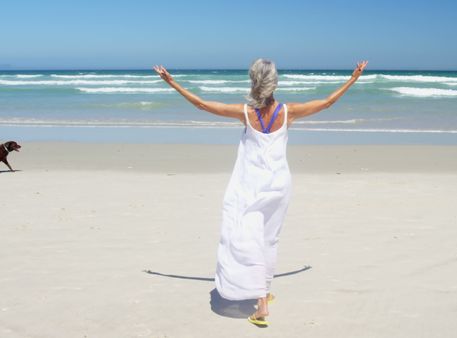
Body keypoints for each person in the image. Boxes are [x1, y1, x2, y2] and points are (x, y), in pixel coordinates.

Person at [154, 59, 368, 327]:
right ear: (274, 82)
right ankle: (264, 290)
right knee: (269, 238)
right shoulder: (289, 112)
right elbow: (327, 103)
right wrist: (354, 77)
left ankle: (262, 305)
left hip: (251, 186)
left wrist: (171, 82)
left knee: (248, 237)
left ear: (253, 82)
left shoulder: (246, 113)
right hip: (279, 185)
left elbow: (202, 104)